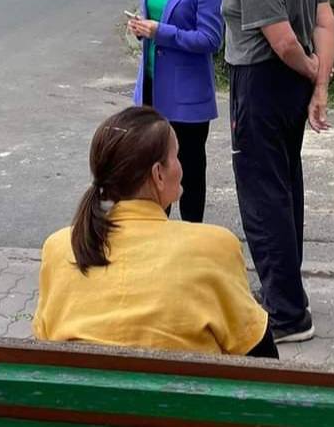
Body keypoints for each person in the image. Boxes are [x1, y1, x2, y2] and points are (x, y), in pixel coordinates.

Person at [34, 106, 276, 358]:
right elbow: (264, 360)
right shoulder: (215, 247)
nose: (181, 167)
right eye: (177, 157)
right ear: (158, 174)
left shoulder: (60, 248)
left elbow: (43, 343)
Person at [215, 0, 334, 344]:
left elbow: (285, 41)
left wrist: (312, 72)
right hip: (287, 88)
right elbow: (325, 22)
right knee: (285, 188)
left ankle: (286, 314)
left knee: (263, 197)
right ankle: (283, 291)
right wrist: (320, 82)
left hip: (262, 83)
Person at [127, 0, 224, 223]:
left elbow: (211, 39)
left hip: (186, 100)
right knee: (153, 172)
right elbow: (154, 16)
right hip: (152, 92)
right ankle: (158, 237)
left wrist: (161, 32)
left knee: (189, 174)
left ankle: (191, 239)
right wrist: (142, 27)